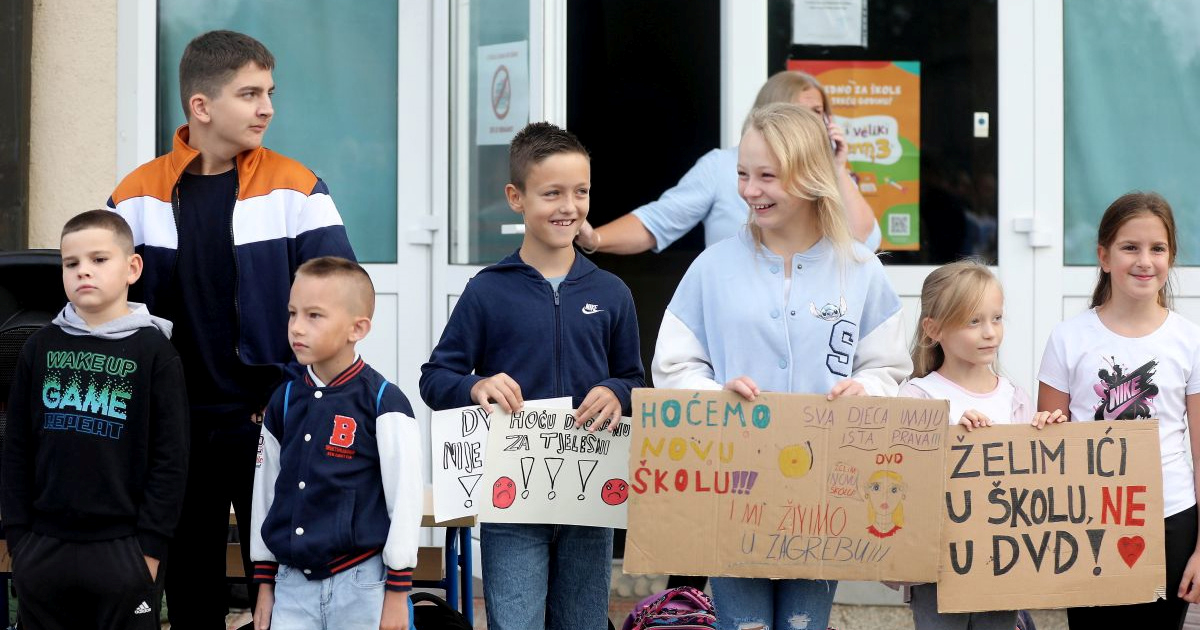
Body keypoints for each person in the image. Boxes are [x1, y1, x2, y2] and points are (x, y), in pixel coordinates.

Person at [107, 30, 356, 628]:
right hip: (175, 423)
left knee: (283, 584)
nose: (267, 108)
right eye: (250, 94)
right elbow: (111, 314)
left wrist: (293, 390)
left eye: (269, 93)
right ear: (201, 105)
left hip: (271, 418)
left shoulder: (298, 189)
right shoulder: (135, 196)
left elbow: (342, 301)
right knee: (191, 583)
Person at [652, 102, 910, 630]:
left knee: (803, 624)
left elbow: (888, 366)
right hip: (732, 489)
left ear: (810, 175)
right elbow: (674, 365)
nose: (750, 190)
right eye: (743, 174)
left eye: (767, 176)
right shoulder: (712, 267)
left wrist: (867, 388)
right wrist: (714, 394)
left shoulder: (860, 269)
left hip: (826, 494)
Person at [419, 121, 645, 629]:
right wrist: (475, 386)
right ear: (515, 198)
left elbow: (635, 380)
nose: (569, 206)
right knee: (515, 622)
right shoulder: (487, 291)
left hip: (590, 501)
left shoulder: (612, 294)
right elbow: (435, 378)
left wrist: (616, 391)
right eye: (552, 193)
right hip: (512, 501)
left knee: (582, 623)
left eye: (581, 191)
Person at [1, 210, 189, 629]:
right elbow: (16, 448)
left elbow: (171, 460)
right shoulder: (38, 347)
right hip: (43, 547)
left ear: (132, 268)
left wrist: (149, 550)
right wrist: (18, 537)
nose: (83, 271)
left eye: (99, 260)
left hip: (124, 550)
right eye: (71, 263)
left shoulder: (155, 353)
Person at [1038, 192, 1200, 628]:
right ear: (1104, 256)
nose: (1145, 261)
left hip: (1170, 520)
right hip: (1086, 523)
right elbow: (1047, 449)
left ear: (1171, 258)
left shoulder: (1190, 340)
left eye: (1157, 248)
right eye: (1130, 247)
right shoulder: (1068, 338)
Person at [250, 257, 421, 630]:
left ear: (357, 328)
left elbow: (406, 501)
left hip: (363, 584)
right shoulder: (282, 400)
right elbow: (265, 493)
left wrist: (397, 593)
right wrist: (265, 581)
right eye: (292, 313)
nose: (297, 327)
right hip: (292, 585)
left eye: (314, 316)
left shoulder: (384, 401)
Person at [897, 259, 1064, 630]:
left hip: (1003, 562)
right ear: (934, 329)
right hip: (938, 570)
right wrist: (949, 435)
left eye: (997, 318)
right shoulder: (918, 396)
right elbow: (903, 478)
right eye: (973, 321)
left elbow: (1036, 483)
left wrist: (1048, 436)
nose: (990, 332)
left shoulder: (1014, 398)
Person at [574, 70, 881, 255]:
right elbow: (659, 220)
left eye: (818, 112)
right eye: (743, 175)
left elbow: (863, 240)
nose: (751, 190)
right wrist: (594, 239)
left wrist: (837, 169)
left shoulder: (826, 172)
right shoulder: (720, 166)